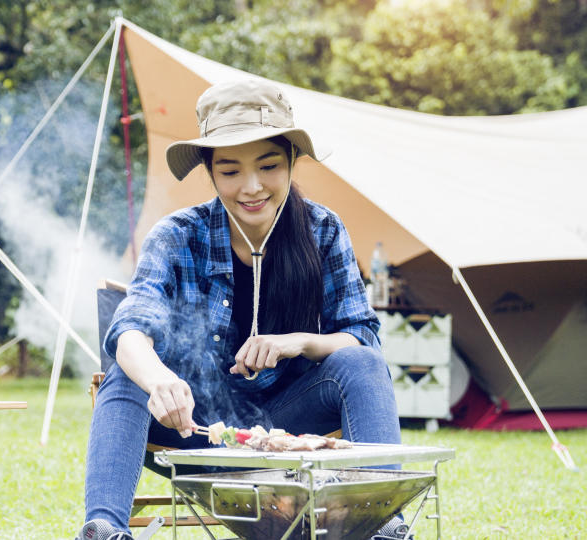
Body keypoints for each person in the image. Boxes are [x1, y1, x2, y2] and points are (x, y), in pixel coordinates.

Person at [74, 79, 407, 540]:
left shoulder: (324, 230)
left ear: (291, 161)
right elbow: (130, 329)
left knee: (361, 361)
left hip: (287, 425)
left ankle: (381, 525)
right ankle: (103, 529)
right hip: (193, 425)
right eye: (230, 171)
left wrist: (301, 342)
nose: (251, 187)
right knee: (125, 372)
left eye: (268, 165)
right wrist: (160, 380)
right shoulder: (177, 235)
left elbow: (362, 336)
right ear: (210, 173)